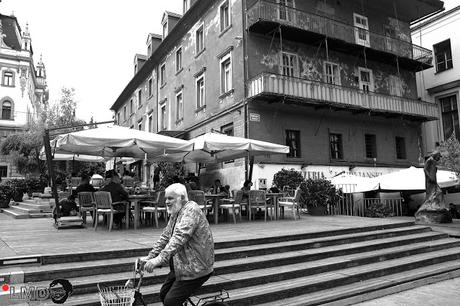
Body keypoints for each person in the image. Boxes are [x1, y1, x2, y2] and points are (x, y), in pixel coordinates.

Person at [139, 183, 214, 306]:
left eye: (170, 198)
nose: (167, 202)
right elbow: (165, 236)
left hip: (195, 268)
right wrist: (150, 256)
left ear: (182, 197)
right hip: (181, 267)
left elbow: (179, 238)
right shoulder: (176, 212)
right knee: (164, 294)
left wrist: (158, 260)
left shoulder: (191, 210)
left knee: (171, 302)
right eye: (166, 199)